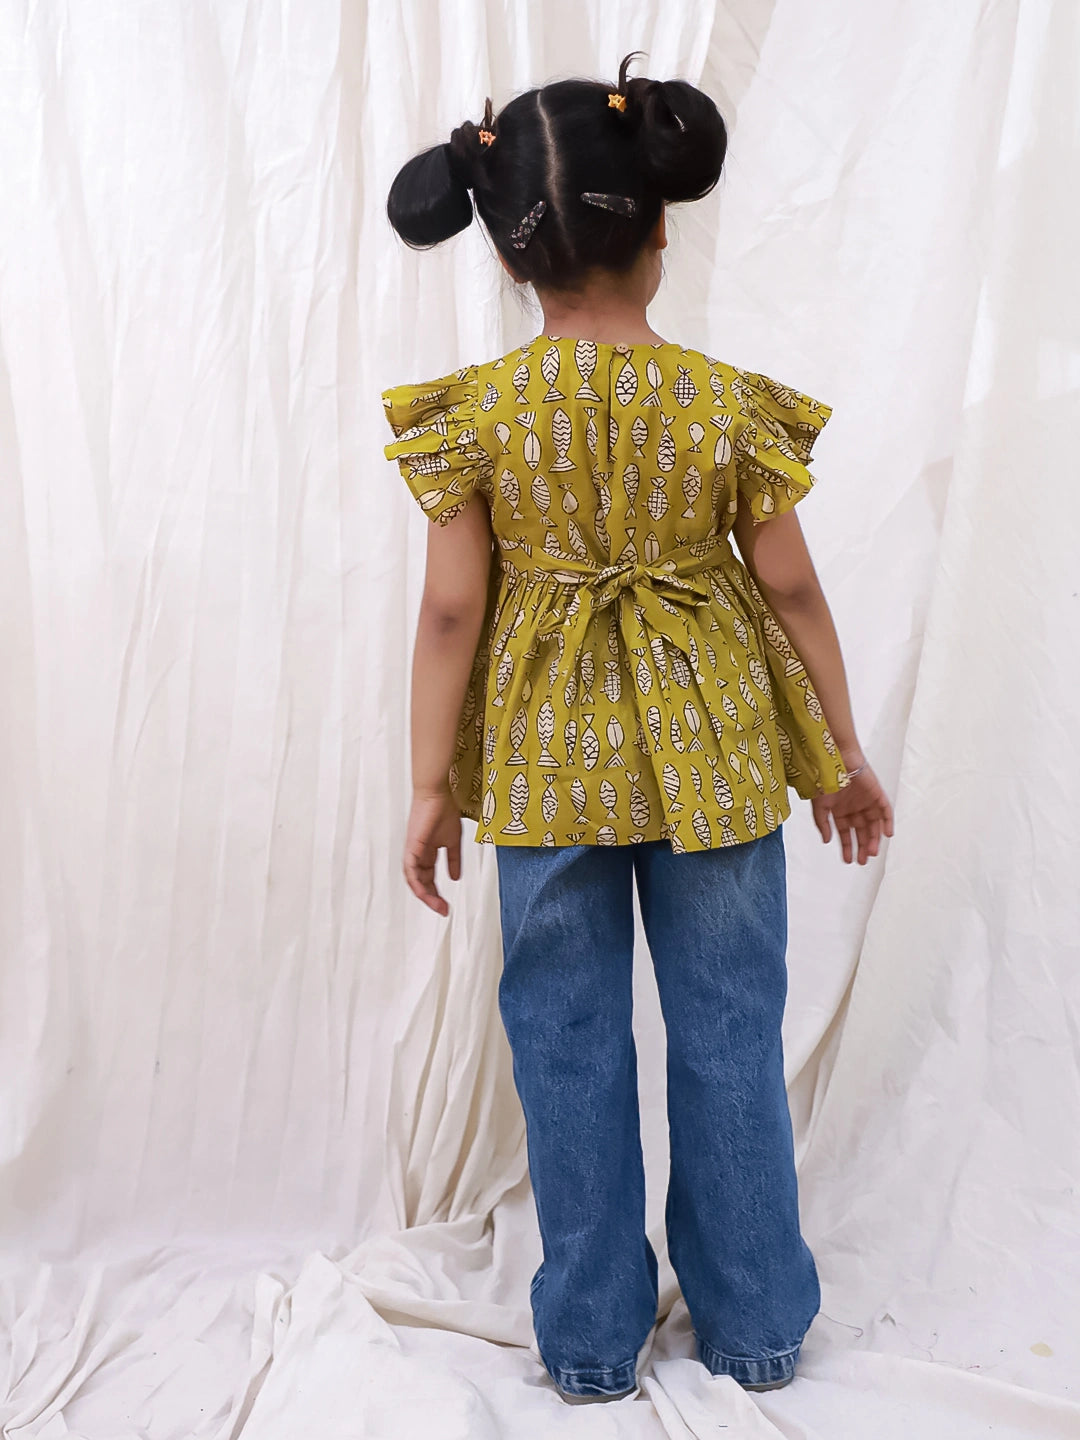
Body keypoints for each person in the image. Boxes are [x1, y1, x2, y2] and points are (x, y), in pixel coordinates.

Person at [380, 52, 894, 1405]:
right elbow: (791, 590)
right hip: (716, 752)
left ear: (506, 253)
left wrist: (430, 784)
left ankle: (595, 1339)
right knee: (732, 1032)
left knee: (564, 1042)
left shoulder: (476, 417)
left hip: (545, 760)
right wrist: (838, 752)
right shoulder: (724, 403)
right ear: (661, 230)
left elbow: (450, 611)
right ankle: (757, 1321)